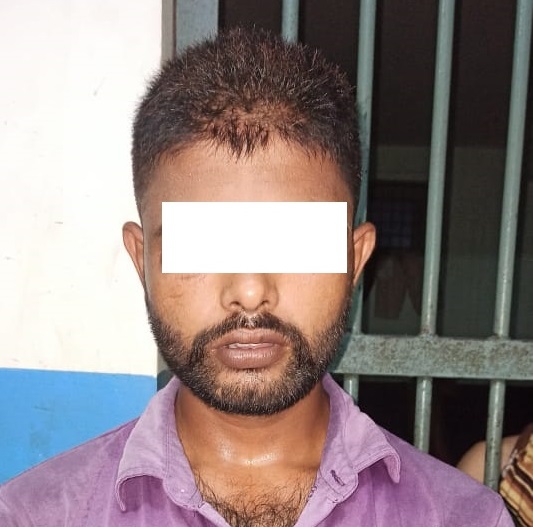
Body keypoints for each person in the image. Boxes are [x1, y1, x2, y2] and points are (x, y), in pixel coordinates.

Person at [0, 28, 513, 527]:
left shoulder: (465, 519)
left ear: (354, 260)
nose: (249, 292)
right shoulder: (33, 516)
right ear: (142, 259)